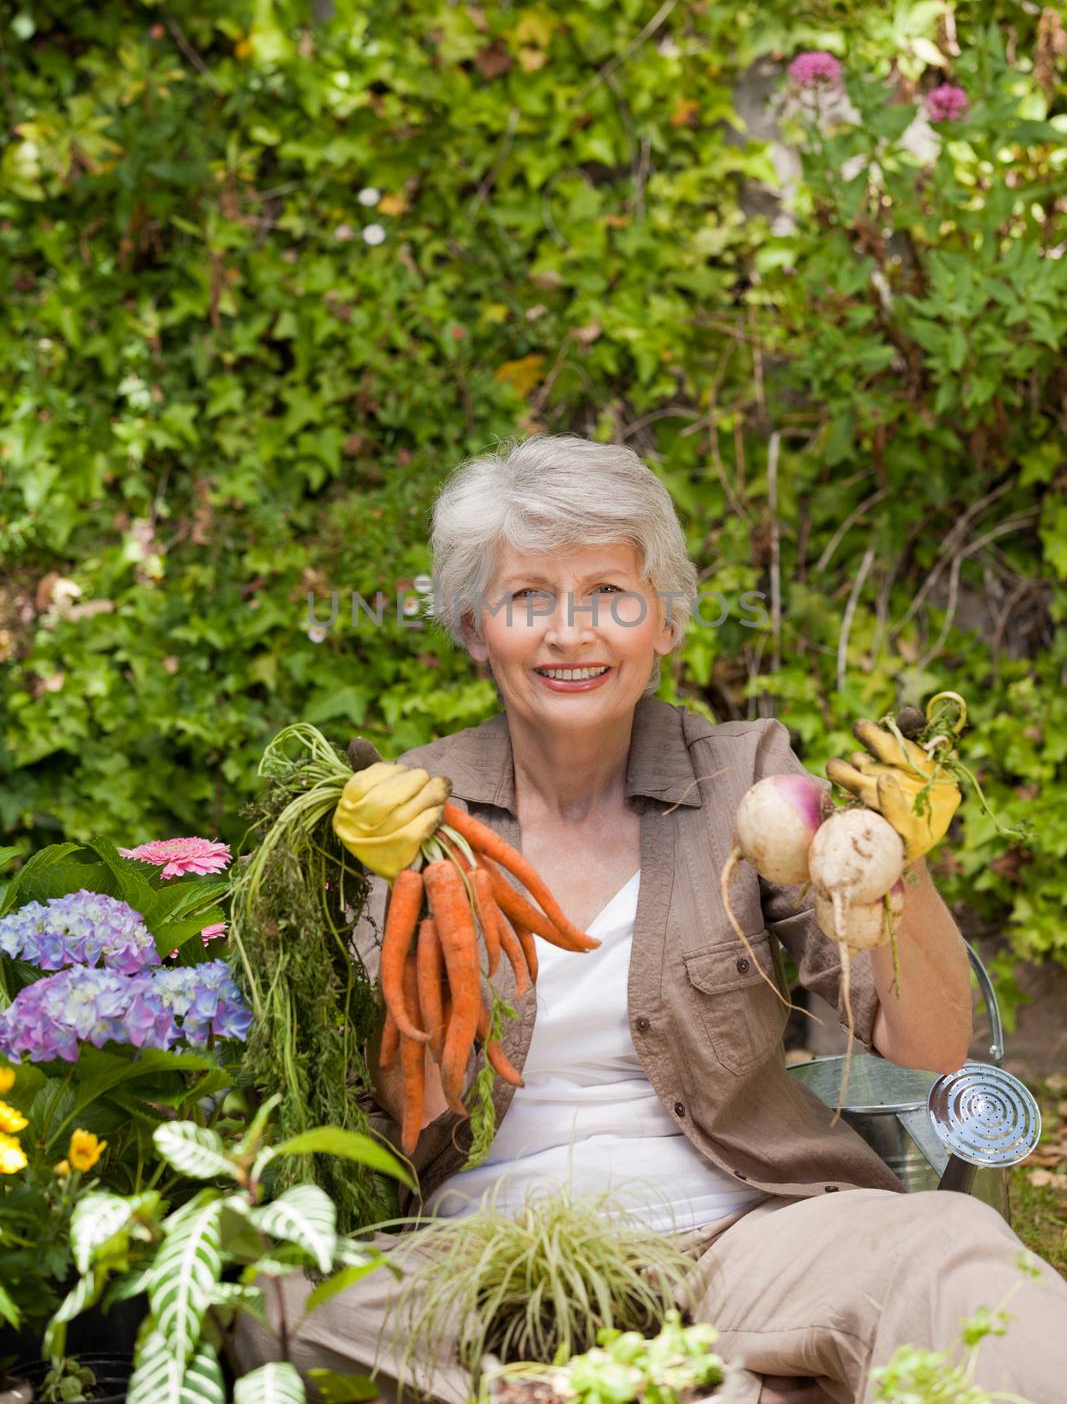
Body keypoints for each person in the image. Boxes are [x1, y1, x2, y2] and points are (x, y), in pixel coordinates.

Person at [233, 435, 1066, 1404]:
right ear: (471, 626)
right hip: (481, 1263)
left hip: (739, 1239)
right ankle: (717, 1388)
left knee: (950, 1246)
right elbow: (388, 1113)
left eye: (609, 594)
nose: (569, 631)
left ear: (665, 617)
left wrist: (903, 873)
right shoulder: (406, 808)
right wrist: (385, 900)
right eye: (526, 596)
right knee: (274, 1296)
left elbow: (924, 1055)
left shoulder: (746, 779)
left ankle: (613, 1385)